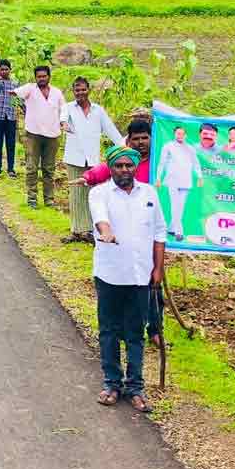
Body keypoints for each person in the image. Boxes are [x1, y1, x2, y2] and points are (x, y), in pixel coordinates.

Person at [89, 145, 165, 414]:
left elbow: (159, 232)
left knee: (135, 332)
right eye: (118, 166)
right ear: (111, 168)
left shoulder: (150, 193)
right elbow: (101, 219)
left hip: (140, 276)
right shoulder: (99, 193)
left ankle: (135, 387)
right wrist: (107, 233)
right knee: (108, 331)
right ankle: (112, 383)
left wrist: (158, 269)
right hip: (110, 274)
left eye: (128, 166)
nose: (124, 170)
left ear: (135, 167)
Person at [60, 76, 124, 243]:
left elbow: (110, 129)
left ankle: (89, 230)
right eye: (77, 90)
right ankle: (75, 231)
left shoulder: (98, 110)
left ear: (88, 90)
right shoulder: (68, 108)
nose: (80, 93)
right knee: (75, 194)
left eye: (83, 89)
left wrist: (124, 145)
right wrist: (64, 124)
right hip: (74, 157)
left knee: (92, 195)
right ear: (73, 92)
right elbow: (63, 118)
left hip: (93, 160)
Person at [14, 65, 66, 209]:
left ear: (49, 76)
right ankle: (32, 199)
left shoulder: (57, 93)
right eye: (39, 76)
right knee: (31, 168)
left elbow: (64, 109)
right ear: (35, 78)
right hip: (33, 135)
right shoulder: (30, 89)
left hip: (52, 136)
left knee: (49, 169)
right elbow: (15, 92)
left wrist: (63, 122)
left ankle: (49, 199)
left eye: (44, 76)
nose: (41, 79)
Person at [154, 125, 203, 241]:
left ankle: (171, 228)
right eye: (178, 133)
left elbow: (196, 163)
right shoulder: (168, 146)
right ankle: (179, 231)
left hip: (186, 180)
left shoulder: (190, 148)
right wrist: (158, 178)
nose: (180, 135)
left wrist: (200, 176)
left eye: (182, 133)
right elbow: (161, 163)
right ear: (174, 134)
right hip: (172, 180)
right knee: (175, 205)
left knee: (180, 207)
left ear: (185, 135)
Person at [0, 59, 19, 179]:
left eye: (6, 69)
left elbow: (18, 100)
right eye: (2, 69)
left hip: (11, 117)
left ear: (10, 70)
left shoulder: (15, 83)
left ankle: (11, 169)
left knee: (11, 144)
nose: (4, 71)